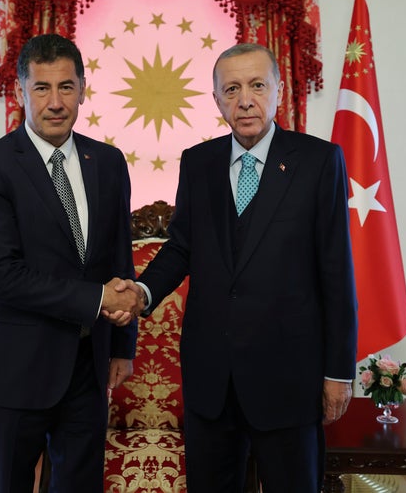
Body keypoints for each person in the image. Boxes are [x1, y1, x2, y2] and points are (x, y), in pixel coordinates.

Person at [119, 43, 358, 492]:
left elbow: (336, 273)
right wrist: (141, 293)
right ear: (216, 99)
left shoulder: (319, 161)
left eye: (256, 85)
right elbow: (181, 248)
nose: (244, 99)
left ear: (279, 91)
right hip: (212, 380)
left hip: (288, 378)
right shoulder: (198, 163)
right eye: (231, 89)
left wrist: (338, 372)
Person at [0, 34, 143, 493]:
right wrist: (99, 298)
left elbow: (119, 255)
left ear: (83, 89)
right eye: (42, 88)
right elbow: (2, 277)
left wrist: (122, 344)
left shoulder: (107, 161)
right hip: (16, 367)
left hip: (88, 364)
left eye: (66, 87)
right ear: (21, 92)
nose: (55, 102)